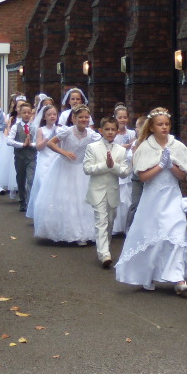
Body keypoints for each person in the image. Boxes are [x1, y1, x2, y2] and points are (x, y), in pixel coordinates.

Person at [114, 108, 187, 294]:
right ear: (151, 127)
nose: (164, 127)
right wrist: (160, 166)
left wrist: (171, 165)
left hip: (172, 196)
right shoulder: (144, 147)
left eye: (167, 124)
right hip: (153, 198)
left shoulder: (177, 146)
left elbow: (182, 174)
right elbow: (143, 177)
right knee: (152, 237)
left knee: (176, 233)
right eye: (160, 124)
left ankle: (178, 278)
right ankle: (148, 274)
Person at [33, 105, 100, 244]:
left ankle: (82, 234)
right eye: (81, 117)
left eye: (86, 117)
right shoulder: (67, 131)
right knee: (65, 198)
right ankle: (59, 230)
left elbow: (101, 145)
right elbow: (51, 143)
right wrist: (64, 153)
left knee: (82, 201)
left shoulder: (92, 134)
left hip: (81, 169)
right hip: (64, 167)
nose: (84, 119)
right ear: (74, 118)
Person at [83, 117, 132, 268]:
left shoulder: (121, 150)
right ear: (101, 131)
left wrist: (113, 166)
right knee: (101, 222)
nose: (110, 132)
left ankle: (105, 247)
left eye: (113, 129)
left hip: (112, 191)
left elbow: (124, 172)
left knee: (110, 222)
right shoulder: (92, 147)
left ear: (117, 132)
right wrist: (105, 165)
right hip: (97, 190)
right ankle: (104, 254)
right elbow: (87, 169)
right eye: (107, 129)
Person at [26, 104, 59, 220]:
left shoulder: (59, 129)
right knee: (42, 183)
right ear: (44, 117)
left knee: (55, 185)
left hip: (55, 158)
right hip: (44, 159)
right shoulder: (41, 130)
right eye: (49, 115)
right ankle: (41, 211)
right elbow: (39, 147)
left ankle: (53, 211)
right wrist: (47, 138)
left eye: (54, 114)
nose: (52, 116)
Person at [0, 94, 23, 199]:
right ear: (15, 108)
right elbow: (7, 130)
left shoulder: (28, 119)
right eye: (19, 106)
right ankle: (12, 187)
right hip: (12, 144)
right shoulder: (12, 118)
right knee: (11, 166)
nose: (21, 109)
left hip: (23, 145)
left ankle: (20, 187)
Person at [7, 102, 37, 212]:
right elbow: (9, 141)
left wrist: (31, 145)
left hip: (32, 157)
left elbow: (38, 142)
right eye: (24, 112)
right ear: (20, 112)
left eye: (29, 113)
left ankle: (29, 202)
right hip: (19, 156)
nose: (27, 115)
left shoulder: (35, 127)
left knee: (30, 179)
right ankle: (22, 199)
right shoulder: (16, 126)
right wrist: (21, 145)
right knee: (20, 178)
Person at [111, 103, 136, 235]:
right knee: (119, 198)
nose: (122, 120)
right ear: (115, 118)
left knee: (128, 198)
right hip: (117, 165)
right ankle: (116, 226)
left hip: (129, 166)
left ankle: (128, 225)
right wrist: (124, 146)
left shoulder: (132, 133)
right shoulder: (113, 133)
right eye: (120, 117)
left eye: (125, 117)